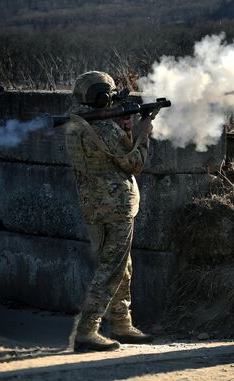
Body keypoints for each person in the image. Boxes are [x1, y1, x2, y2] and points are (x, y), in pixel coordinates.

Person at [65, 71, 155, 352]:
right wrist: (143, 133)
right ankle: (87, 330)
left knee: (121, 265)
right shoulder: (101, 127)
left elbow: (110, 156)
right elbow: (132, 163)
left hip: (96, 203)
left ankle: (121, 323)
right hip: (114, 205)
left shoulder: (79, 123)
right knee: (112, 268)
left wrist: (125, 128)